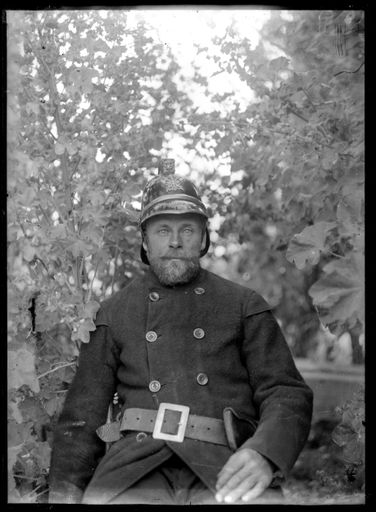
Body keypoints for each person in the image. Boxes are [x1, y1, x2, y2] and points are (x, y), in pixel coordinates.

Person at [48, 159, 313, 505]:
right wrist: (64, 496)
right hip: (134, 470)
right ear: (144, 240)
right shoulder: (113, 314)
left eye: (187, 229)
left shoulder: (244, 305)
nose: (175, 241)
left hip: (223, 464)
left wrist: (264, 454)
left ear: (203, 237)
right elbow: (81, 421)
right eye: (162, 230)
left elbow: (286, 392)